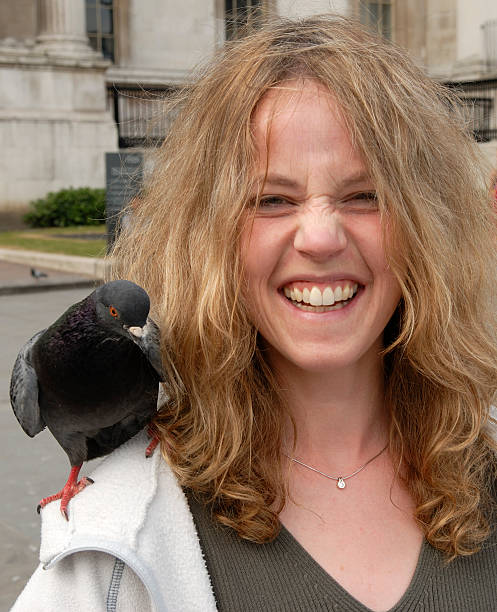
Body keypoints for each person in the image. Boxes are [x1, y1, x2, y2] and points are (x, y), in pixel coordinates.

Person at [13, 15, 497, 612]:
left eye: (364, 195)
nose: (320, 237)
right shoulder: (106, 549)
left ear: (429, 225)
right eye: (272, 200)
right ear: (209, 239)